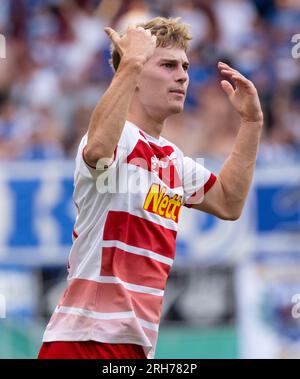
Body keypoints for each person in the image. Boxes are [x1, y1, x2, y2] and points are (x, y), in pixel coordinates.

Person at [38, 17, 263, 359]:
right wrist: (129, 62)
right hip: (85, 341)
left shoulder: (173, 159)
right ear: (137, 76)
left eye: (185, 66)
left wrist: (250, 123)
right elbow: (98, 149)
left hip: (136, 347)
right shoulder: (118, 139)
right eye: (168, 65)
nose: (183, 75)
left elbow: (229, 203)